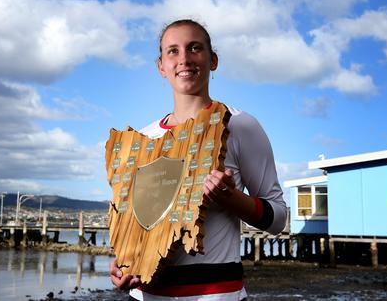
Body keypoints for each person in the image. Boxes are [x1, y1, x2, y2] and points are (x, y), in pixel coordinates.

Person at [110, 19, 287, 301]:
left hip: (216, 295)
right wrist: (124, 261)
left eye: (195, 48)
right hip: (145, 295)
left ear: (213, 60)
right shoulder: (143, 138)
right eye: (173, 51)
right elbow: (138, 222)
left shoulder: (240, 125)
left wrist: (231, 198)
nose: (184, 59)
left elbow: (278, 218)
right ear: (161, 67)